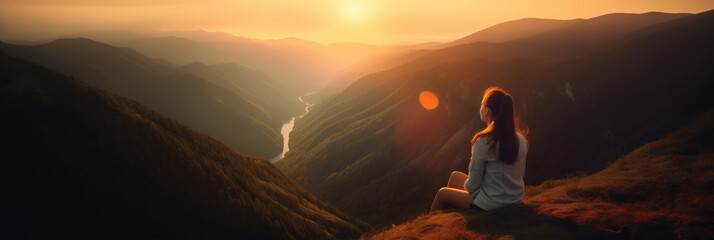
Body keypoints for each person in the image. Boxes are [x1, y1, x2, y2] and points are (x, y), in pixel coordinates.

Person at [430, 87, 528, 212]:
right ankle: (455, 216)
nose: (480, 108)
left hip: (491, 203)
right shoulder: (521, 140)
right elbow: (519, 174)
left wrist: (469, 188)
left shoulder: (483, 142)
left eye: (482, 104)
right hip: (514, 199)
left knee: (442, 194)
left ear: (486, 110)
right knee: (455, 176)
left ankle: (430, 227)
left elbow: (472, 186)